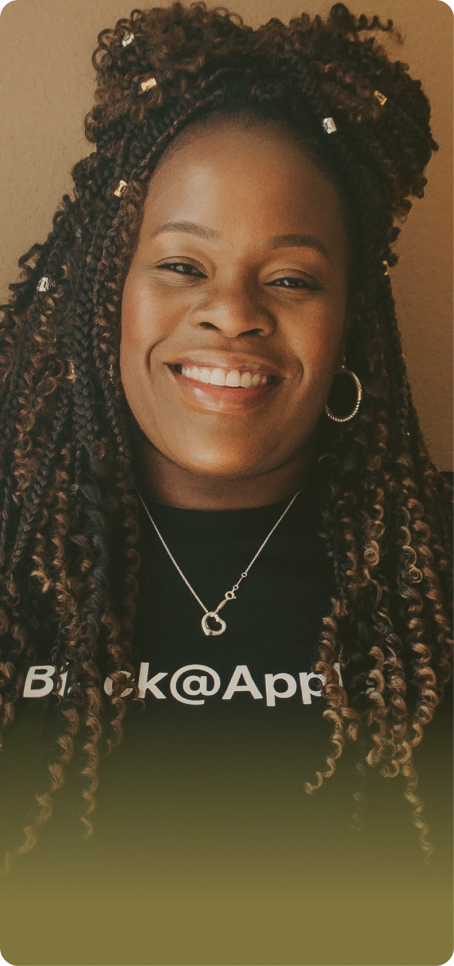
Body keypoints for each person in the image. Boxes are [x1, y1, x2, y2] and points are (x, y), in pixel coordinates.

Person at [0, 0, 453, 914]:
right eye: (182, 265)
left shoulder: (433, 570)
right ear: (107, 296)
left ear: (349, 323)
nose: (234, 312)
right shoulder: (15, 557)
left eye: (291, 278)